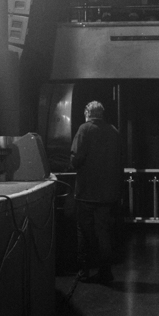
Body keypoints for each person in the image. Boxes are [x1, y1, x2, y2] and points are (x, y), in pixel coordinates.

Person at [70, 101, 121, 283]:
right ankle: (105, 272)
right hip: (108, 194)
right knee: (104, 233)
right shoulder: (113, 131)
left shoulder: (84, 129)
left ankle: (84, 271)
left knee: (83, 231)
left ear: (87, 113)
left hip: (86, 192)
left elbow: (76, 159)